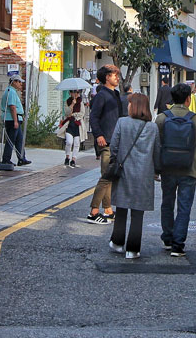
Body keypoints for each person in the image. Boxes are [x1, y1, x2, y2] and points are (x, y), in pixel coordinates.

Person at [155, 83, 196, 257]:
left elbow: (156, 146)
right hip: (189, 169)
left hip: (167, 168)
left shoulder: (162, 118)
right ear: (188, 99)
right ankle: (178, 244)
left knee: (167, 203)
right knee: (184, 206)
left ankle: (167, 238)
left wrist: (156, 168)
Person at [108, 93, 161, 259]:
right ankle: (133, 249)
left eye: (130, 104)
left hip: (124, 172)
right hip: (144, 175)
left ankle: (117, 242)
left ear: (135, 106)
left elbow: (114, 147)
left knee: (122, 209)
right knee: (138, 213)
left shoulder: (122, 123)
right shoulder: (152, 127)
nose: (128, 106)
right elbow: (157, 152)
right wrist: (157, 171)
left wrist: (113, 163)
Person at [88, 64, 123, 223]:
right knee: (106, 176)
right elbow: (93, 117)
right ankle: (93, 212)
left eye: (117, 74)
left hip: (115, 140)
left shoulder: (115, 94)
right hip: (106, 140)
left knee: (109, 176)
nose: (117, 77)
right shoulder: (101, 95)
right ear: (107, 77)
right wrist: (99, 135)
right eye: (114, 74)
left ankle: (108, 210)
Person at [1, 76, 30, 167]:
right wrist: (15, 121)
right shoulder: (11, 92)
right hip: (12, 119)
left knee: (19, 140)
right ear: (14, 82)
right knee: (11, 140)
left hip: (16, 118)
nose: (21, 84)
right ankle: (6, 159)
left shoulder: (12, 91)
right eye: (19, 82)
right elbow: (12, 107)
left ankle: (21, 158)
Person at [60, 90, 84, 167]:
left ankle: (73, 159)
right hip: (69, 124)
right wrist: (72, 105)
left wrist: (74, 114)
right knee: (69, 142)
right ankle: (67, 157)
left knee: (77, 143)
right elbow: (67, 113)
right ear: (70, 93)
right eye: (74, 92)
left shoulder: (80, 102)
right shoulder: (68, 101)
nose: (76, 94)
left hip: (78, 124)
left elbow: (82, 113)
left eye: (77, 92)